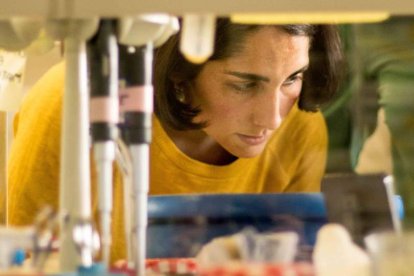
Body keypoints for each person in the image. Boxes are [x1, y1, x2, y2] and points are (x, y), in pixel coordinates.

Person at [7, 18, 343, 262]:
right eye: (244, 85)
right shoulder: (73, 102)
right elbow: (29, 263)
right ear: (180, 71)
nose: (273, 119)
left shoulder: (300, 129)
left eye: (292, 78)